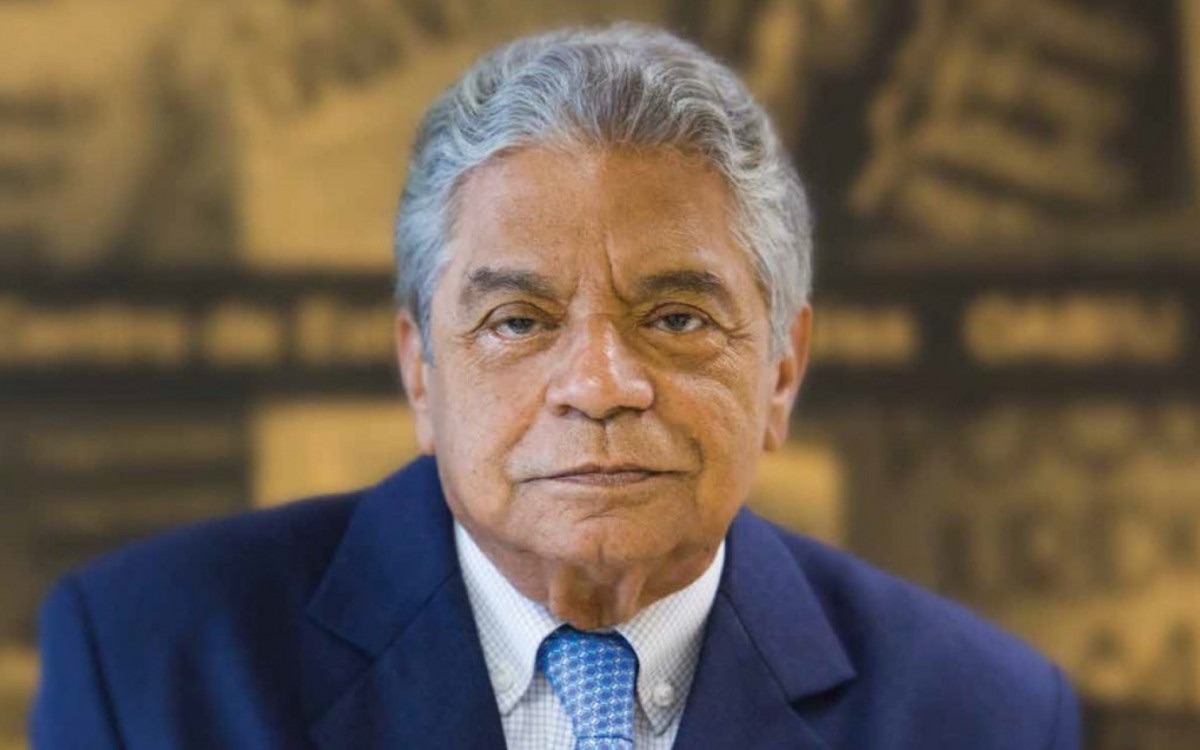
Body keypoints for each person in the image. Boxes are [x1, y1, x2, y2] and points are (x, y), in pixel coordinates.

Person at [32, 25, 1080, 749]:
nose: (600, 385)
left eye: (677, 319)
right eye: (519, 322)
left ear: (781, 372)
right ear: (421, 372)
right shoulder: (147, 664)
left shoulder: (984, 714)